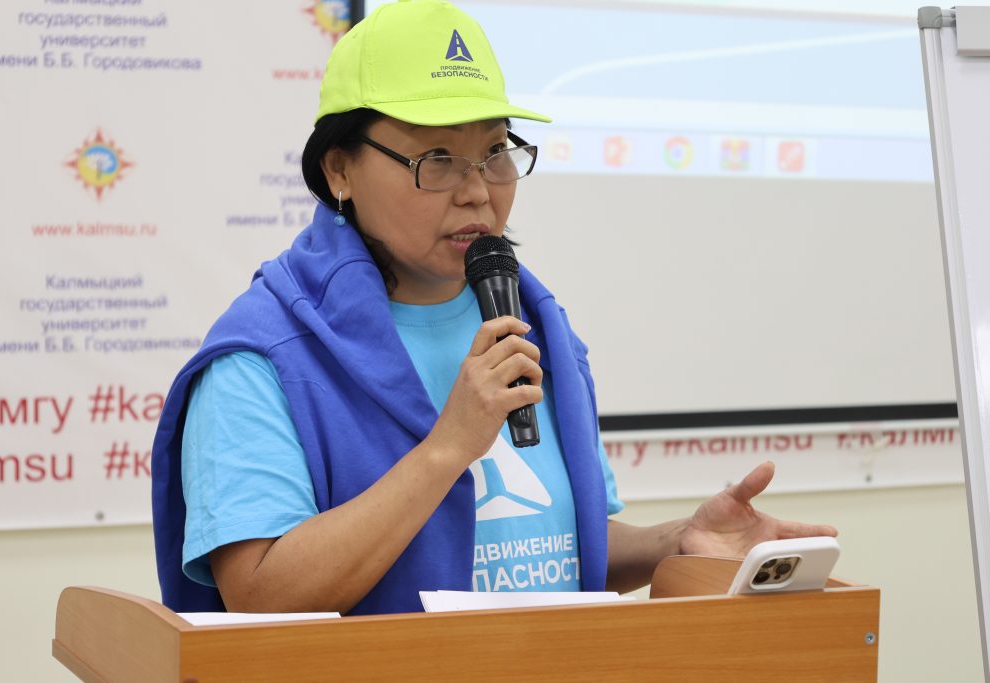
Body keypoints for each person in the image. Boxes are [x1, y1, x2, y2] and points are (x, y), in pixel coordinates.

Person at [151, 0, 836, 616]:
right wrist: (449, 447)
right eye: (438, 158)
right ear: (339, 169)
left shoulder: (534, 321)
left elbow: (556, 550)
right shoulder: (264, 358)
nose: (478, 191)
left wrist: (679, 540)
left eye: (495, 152)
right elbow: (261, 593)